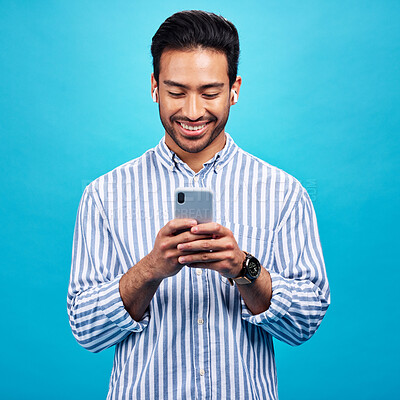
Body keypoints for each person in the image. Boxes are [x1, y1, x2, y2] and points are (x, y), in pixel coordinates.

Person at [67, 10, 330, 400]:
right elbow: (87, 330)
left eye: (209, 93)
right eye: (177, 92)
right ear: (154, 87)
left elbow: (305, 323)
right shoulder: (104, 195)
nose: (192, 112)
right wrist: (150, 269)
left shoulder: (283, 192)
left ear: (234, 89)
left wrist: (244, 268)